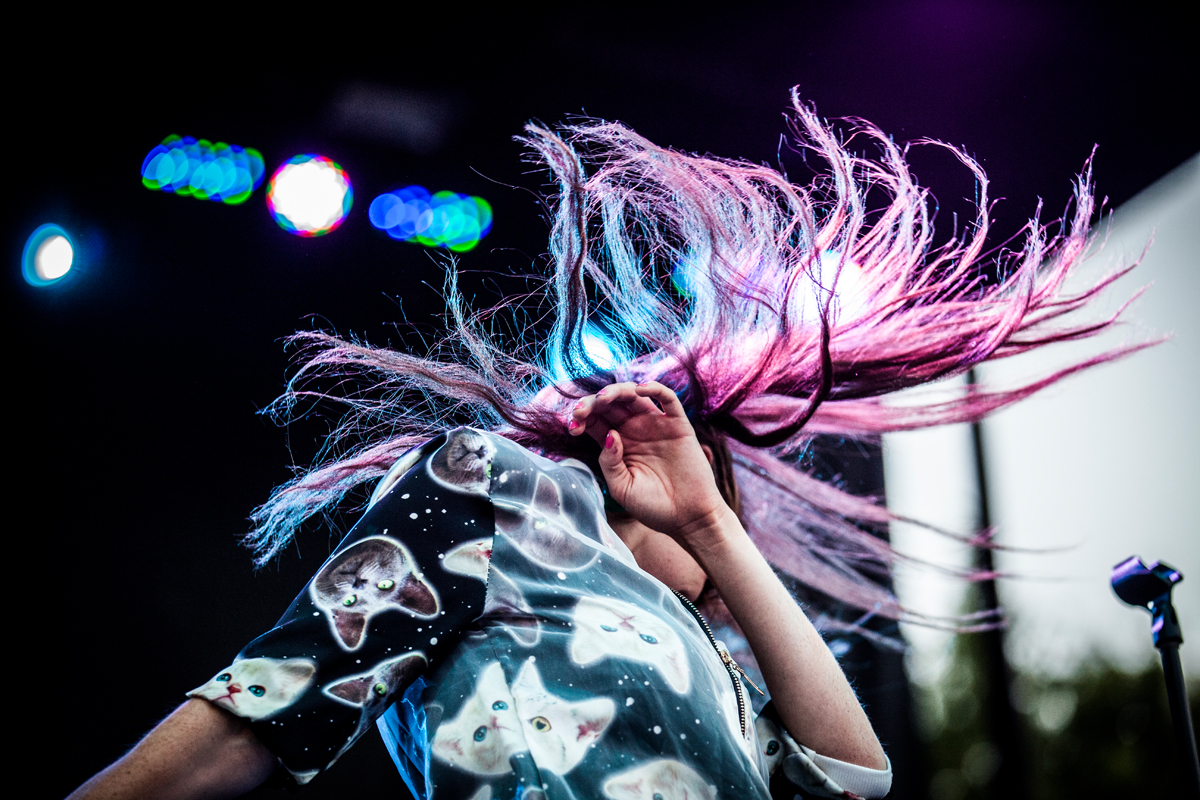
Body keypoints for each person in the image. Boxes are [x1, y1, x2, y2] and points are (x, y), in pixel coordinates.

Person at [68, 92, 1143, 800]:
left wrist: (720, 530)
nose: (717, 529)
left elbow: (856, 780)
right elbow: (269, 698)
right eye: (705, 498)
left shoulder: (724, 666)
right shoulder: (504, 494)